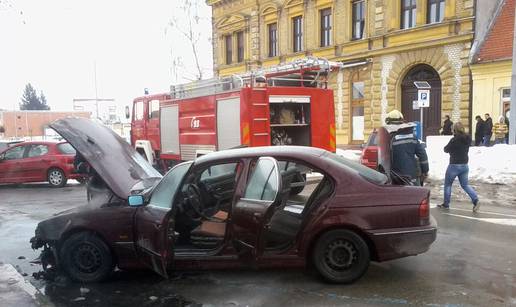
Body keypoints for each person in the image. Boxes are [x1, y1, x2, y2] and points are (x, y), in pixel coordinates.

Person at [438, 122, 480, 212]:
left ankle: (446, 204)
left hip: (454, 165)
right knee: (465, 185)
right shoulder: (467, 139)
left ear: (454, 130)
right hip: (465, 165)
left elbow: (446, 149)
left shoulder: (454, 139)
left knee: (448, 185)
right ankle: (475, 200)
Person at [384, 110, 429, 186]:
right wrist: (425, 171)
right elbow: (422, 155)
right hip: (412, 177)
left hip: (396, 178)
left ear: (389, 123)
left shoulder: (389, 138)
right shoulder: (412, 136)